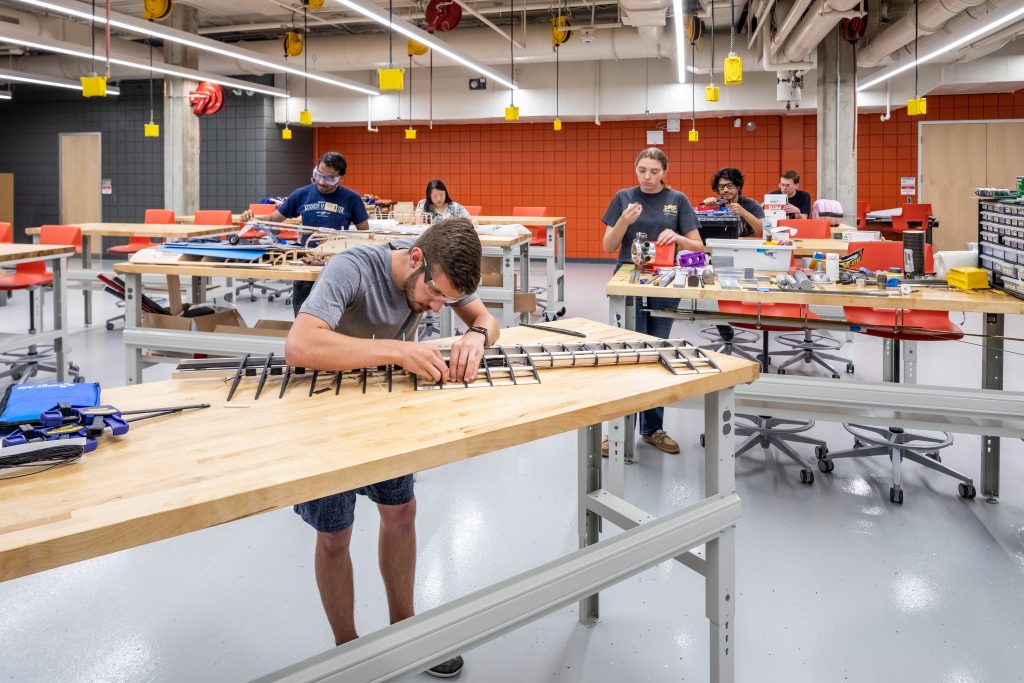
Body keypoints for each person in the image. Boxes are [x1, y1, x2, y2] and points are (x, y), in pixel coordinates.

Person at [284, 217, 498, 679]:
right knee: (335, 533)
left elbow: (484, 318)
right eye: (434, 295)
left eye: (447, 299)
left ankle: (404, 627)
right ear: (416, 259)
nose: (438, 306)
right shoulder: (352, 269)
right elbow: (300, 345)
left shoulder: (438, 271)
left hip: (386, 413)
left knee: (401, 514)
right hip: (328, 416)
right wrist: (398, 351)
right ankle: (348, 650)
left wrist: (476, 336)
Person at [600, 147, 701, 455]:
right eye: (642, 170)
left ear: (664, 172)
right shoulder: (623, 197)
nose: (647, 176)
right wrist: (623, 222)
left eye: (653, 171)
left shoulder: (678, 200)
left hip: (663, 281)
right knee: (627, 355)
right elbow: (608, 246)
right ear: (635, 168)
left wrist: (679, 238)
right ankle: (617, 431)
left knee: (658, 354)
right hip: (628, 280)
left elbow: (698, 245)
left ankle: (652, 429)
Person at [239, 151, 370, 315]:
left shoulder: (351, 198)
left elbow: (365, 234)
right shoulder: (301, 194)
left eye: (329, 178)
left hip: (337, 264)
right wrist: (252, 218)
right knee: (302, 314)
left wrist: (340, 238)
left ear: (340, 179)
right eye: (318, 174)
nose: (321, 182)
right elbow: (273, 219)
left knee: (335, 316)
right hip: (306, 261)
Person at [701, 167, 765, 237]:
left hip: (745, 245)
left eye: (730, 186)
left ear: (738, 187)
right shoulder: (716, 205)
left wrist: (743, 212)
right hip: (721, 245)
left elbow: (763, 231)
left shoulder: (752, 205)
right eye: (721, 186)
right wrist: (706, 208)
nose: (725, 190)